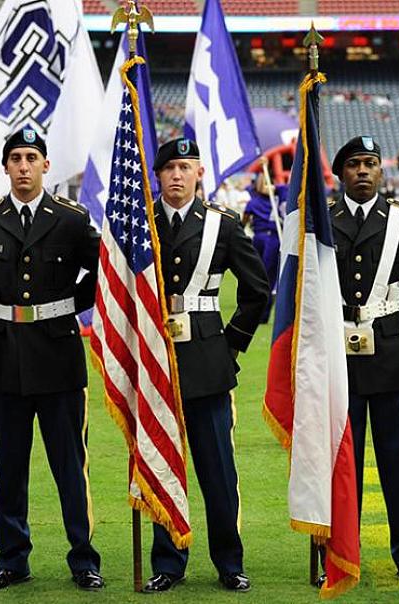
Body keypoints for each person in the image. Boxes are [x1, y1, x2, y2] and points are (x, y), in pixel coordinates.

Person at [0, 129, 104, 591]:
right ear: (6, 167)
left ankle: (84, 560)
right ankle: (13, 558)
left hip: (58, 357)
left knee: (71, 468)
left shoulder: (72, 219)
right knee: (8, 468)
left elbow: (104, 269)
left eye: (31, 157)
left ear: (45, 166)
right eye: (15, 158)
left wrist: (74, 303)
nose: (23, 166)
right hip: (4, 361)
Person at [142, 138, 270, 594]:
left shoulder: (223, 225)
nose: (176, 175)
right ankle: (168, 562)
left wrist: (230, 343)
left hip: (207, 366)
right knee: (160, 464)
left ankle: (228, 561)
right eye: (169, 168)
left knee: (218, 471)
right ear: (156, 176)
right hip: (156, 364)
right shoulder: (140, 225)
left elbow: (258, 289)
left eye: (185, 167)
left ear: (199, 174)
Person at [329, 136, 399, 587]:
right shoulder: (322, 222)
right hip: (338, 359)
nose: (362, 171)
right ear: (339, 174)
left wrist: (388, 314)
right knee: (342, 463)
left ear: (381, 172)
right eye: (354, 164)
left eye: (370, 164)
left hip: (392, 355)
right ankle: (341, 551)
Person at [242, 171, 284, 323]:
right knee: (262, 277)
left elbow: (243, 222)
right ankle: (260, 312)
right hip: (263, 238)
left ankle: (262, 313)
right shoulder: (257, 201)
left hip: (270, 238)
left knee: (264, 277)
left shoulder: (276, 198)